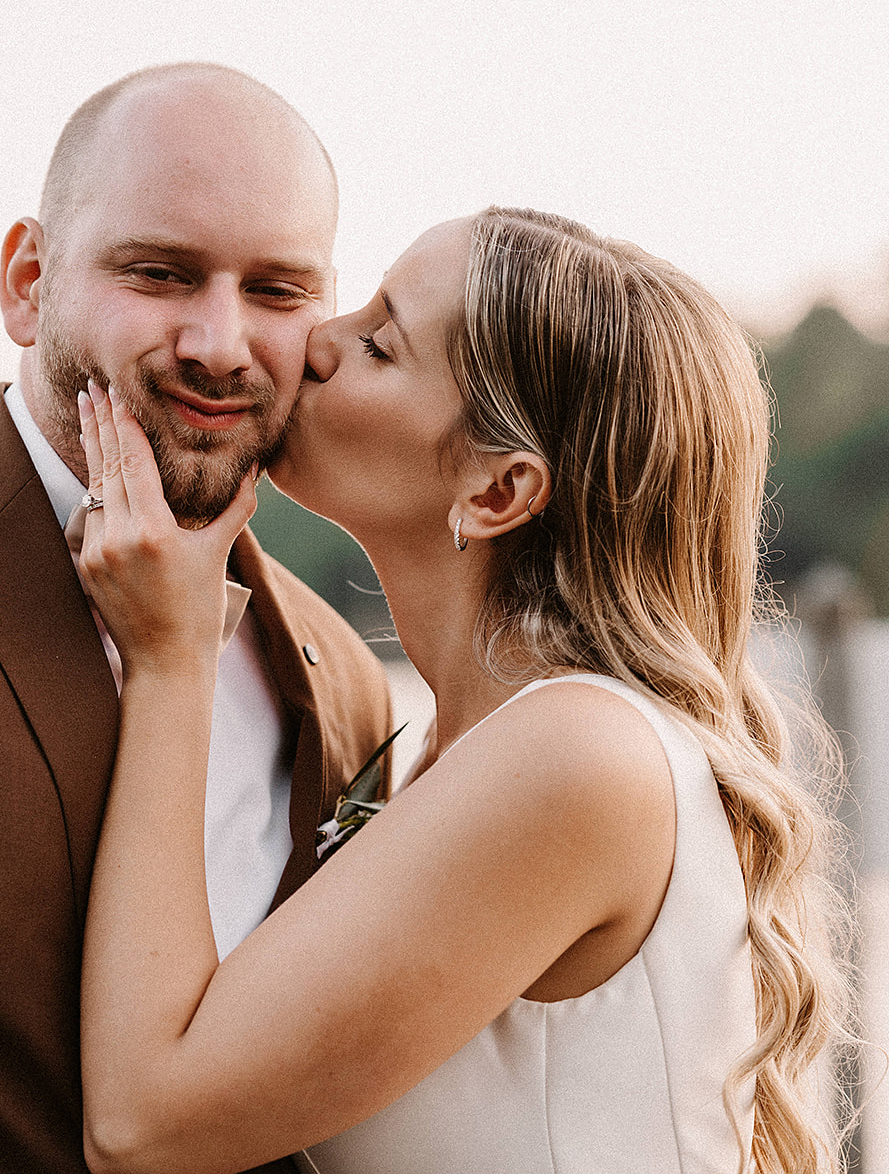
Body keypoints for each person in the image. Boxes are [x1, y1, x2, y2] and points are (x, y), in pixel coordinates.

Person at [76, 207, 852, 1174]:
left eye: (376, 343)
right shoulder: (452, 753)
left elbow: (144, 1124)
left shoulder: (578, 758)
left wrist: (169, 661)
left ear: (495, 492)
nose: (313, 340)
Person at [0, 63, 392, 1174]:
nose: (221, 343)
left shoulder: (341, 676)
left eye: (278, 291)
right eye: (160, 273)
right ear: (28, 282)